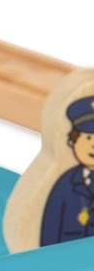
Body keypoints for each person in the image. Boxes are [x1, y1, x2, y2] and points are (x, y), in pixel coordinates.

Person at [40, 96, 94, 245]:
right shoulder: (65, 183)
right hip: (66, 257)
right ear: (73, 141)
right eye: (88, 138)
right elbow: (50, 229)